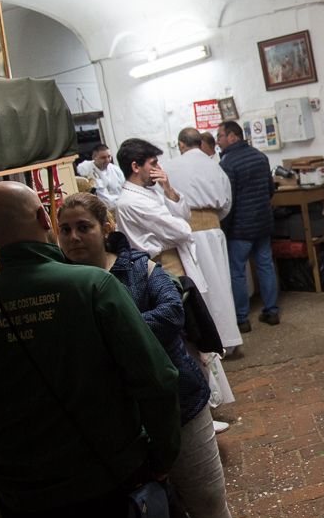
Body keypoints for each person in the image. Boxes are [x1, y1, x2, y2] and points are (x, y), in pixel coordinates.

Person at [0, 182, 181, 518]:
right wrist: (162, 458)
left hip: (28, 504)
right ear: (45, 218)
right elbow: (158, 381)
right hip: (113, 483)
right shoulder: (93, 287)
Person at [56, 193, 237, 518]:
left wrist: (103, 334)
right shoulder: (59, 285)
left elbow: (171, 313)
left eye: (83, 227)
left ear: (105, 227)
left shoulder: (141, 268)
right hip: (112, 423)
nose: (74, 237)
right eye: (65, 229)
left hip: (179, 407)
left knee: (208, 504)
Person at [161, 127, 243, 352]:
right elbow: (226, 204)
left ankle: (205, 342)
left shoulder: (168, 167)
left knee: (198, 288)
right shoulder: (216, 167)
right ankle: (228, 339)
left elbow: (164, 201)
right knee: (220, 286)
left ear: (180, 145)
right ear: (201, 143)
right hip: (213, 231)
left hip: (185, 233)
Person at [114, 137, 209, 296]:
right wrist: (178, 224)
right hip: (164, 266)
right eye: (153, 163)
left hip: (174, 258)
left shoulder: (147, 191)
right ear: (136, 166)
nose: (159, 168)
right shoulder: (132, 201)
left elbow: (185, 216)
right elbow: (182, 231)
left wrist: (168, 189)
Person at [217, 120, 279, 331]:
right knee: (265, 265)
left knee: (237, 271)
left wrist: (223, 228)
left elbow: (228, 200)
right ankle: (272, 312)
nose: (217, 142)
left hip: (240, 228)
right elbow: (270, 190)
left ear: (232, 136)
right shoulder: (260, 157)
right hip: (263, 223)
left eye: (220, 137)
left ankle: (242, 319)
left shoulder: (227, 163)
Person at [75, 144, 126, 210]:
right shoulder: (85, 168)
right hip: (100, 209)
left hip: (118, 207)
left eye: (109, 156)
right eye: (103, 157)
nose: (107, 160)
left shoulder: (117, 170)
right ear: (94, 157)